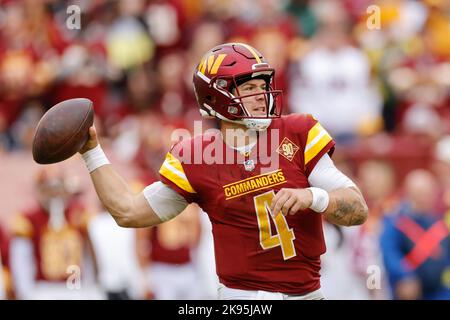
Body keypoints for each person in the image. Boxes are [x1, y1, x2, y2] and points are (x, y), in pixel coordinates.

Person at [78, 43, 368, 300]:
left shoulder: (297, 132)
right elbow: (129, 211)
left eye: (263, 85)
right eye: (249, 88)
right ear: (217, 96)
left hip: (304, 295)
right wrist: (91, 152)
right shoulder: (196, 157)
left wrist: (314, 197)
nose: (262, 95)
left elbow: (357, 209)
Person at [9, 167, 101, 299]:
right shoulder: (29, 219)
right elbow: (21, 262)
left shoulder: (80, 215)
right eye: (48, 190)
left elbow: (88, 256)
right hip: (44, 289)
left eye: (58, 189)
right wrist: (26, 293)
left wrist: (90, 286)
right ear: (39, 190)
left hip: (76, 288)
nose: (54, 195)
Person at [380, 169, 450, 300]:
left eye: (428, 193)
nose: (425, 198)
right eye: (420, 193)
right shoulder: (396, 222)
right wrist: (405, 275)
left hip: (439, 290)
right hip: (410, 289)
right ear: (409, 193)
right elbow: (390, 253)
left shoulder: (439, 222)